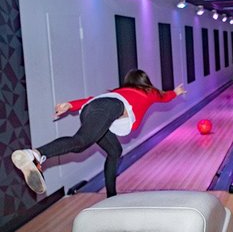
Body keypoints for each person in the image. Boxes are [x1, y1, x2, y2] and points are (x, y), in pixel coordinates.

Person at [11, 69, 186, 198]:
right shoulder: (149, 91)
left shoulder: (118, 92)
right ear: (145, 81)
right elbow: (164, 96)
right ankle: (35, 154)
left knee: (114, 151)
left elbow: (92, 101)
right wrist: (176, 92)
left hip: (93, 108)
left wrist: (70, 105)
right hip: (109, 109)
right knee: (81, 142)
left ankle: (111, 195)